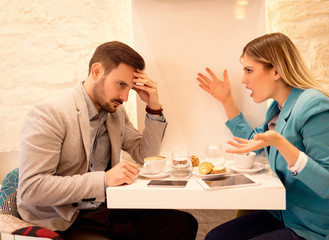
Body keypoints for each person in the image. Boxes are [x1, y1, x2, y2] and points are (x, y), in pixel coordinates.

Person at [17, 41, 198, 240]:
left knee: (183, 225)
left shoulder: (115, 113)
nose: (125, 97)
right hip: (65, 221)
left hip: (107, 210)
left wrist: (154, 107)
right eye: (121, 84)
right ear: (97, 71)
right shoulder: (50, 114)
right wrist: (105, 180)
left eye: (130, 88)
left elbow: (146, 155)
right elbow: (32, 188)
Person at [196, 32, 329, 240]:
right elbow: (254, 142)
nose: (243, 79)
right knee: (215, 237)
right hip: (285, 214)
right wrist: (226, 100)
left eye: (249, 70)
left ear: (275, 71)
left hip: (317, 226)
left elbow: (328, 186)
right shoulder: (279, 107)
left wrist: (280, 143)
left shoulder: (317, 108)